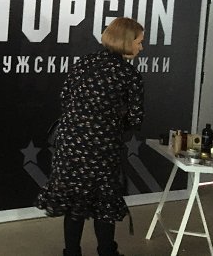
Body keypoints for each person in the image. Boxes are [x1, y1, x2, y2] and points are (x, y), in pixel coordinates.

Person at [36, 17, 145, 256]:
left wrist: (82, 122)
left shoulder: (84, 62)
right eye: (138, 42)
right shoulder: (129, 74)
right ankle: (107, 251)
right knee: (103, 203)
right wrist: (110, 124)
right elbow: (136, 118)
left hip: (71, 144)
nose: (141, 47)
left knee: (75, 202)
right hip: (102, 148)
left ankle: (71, 252)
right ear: (126, 42)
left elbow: (65, 98)